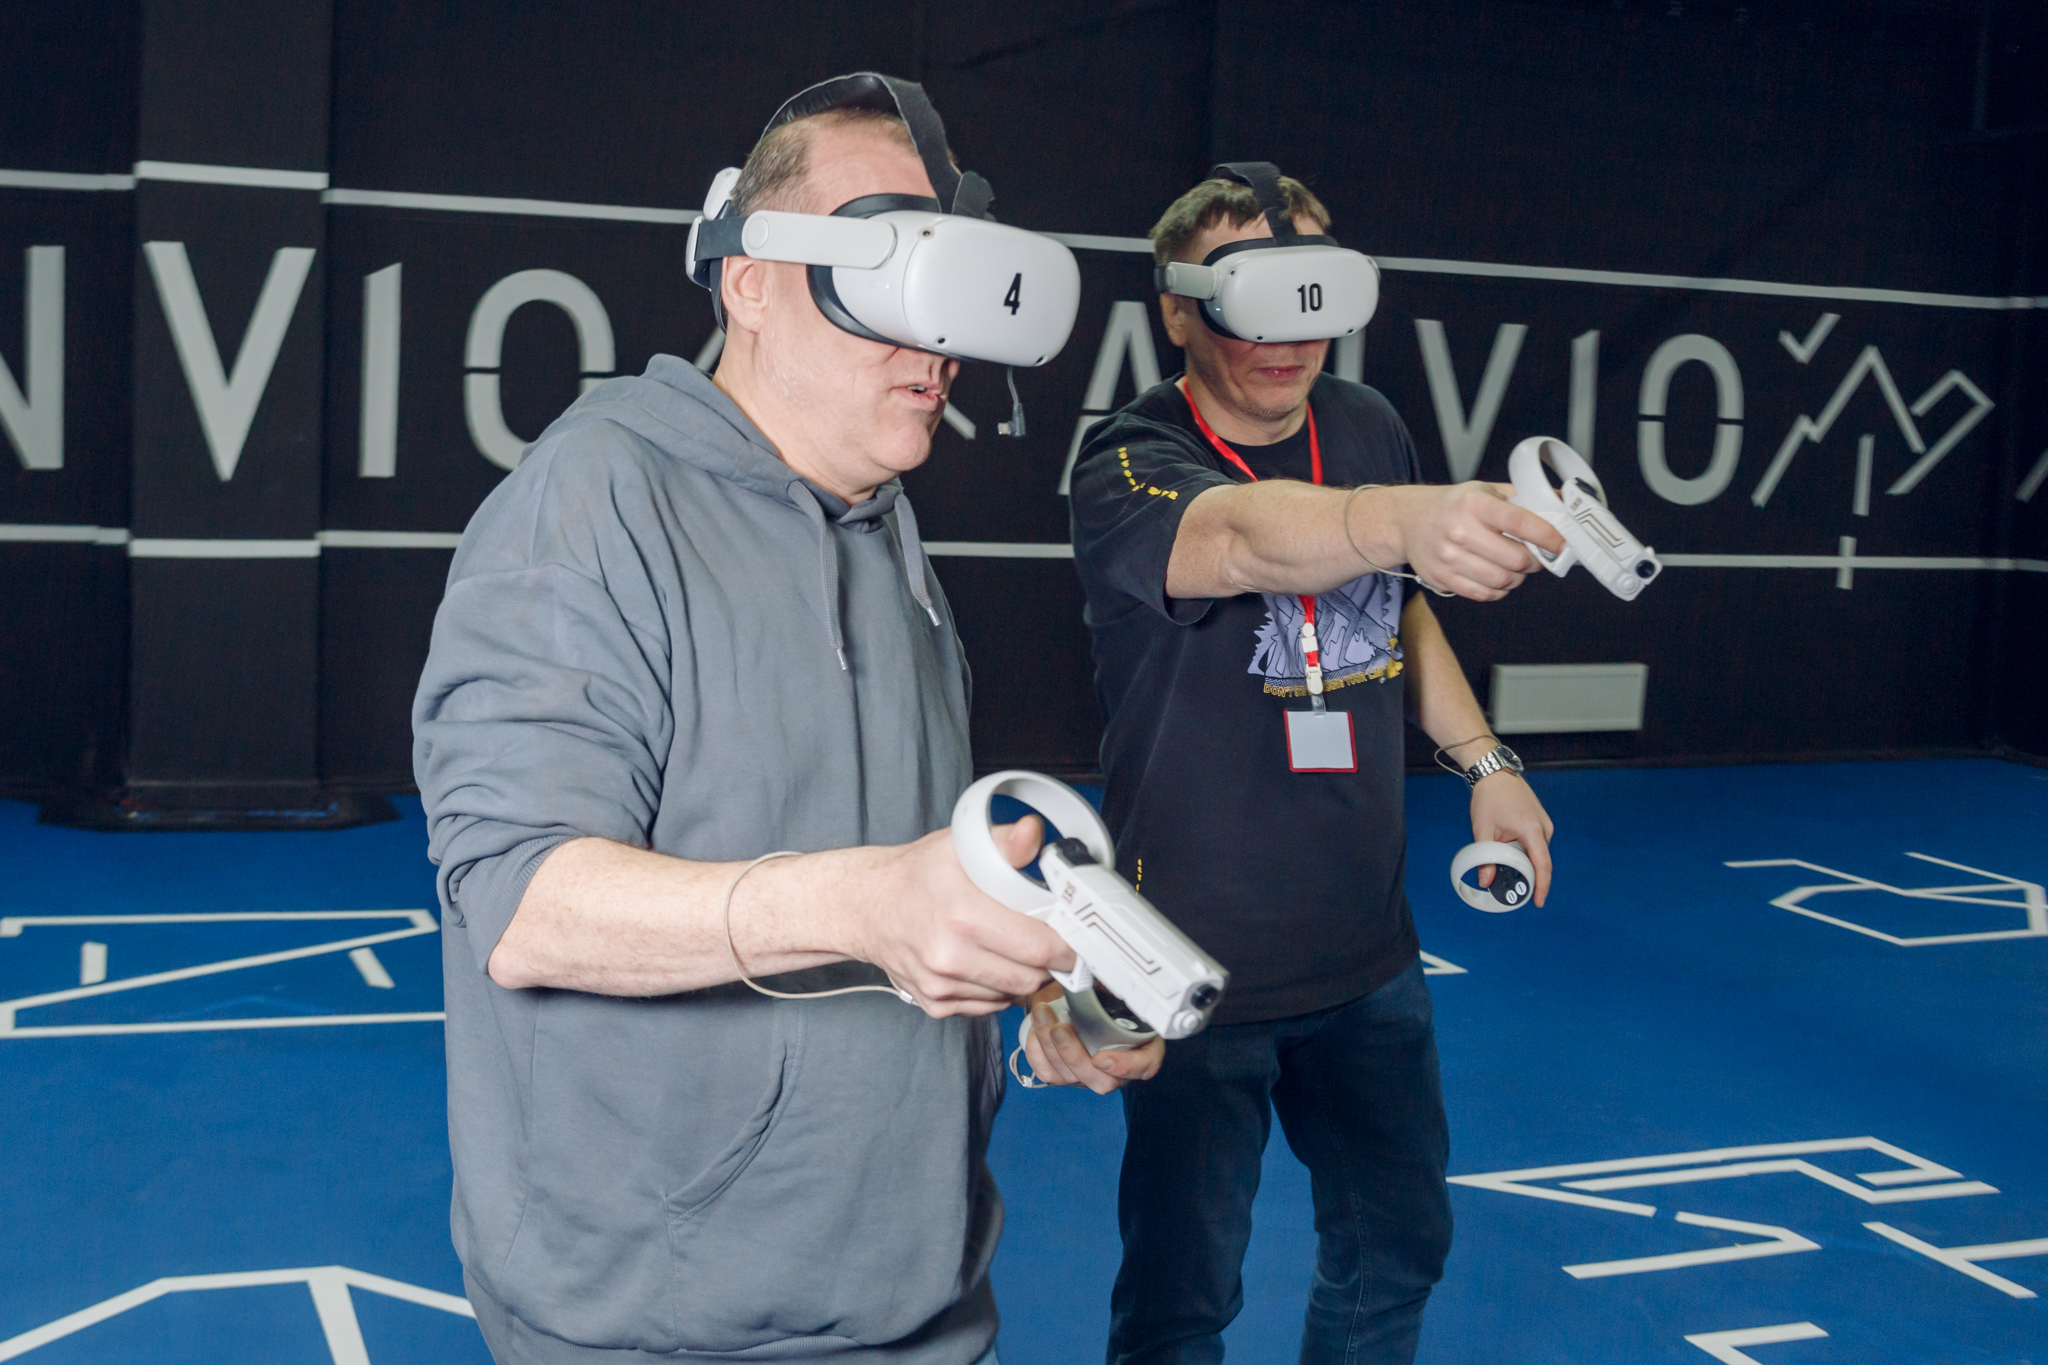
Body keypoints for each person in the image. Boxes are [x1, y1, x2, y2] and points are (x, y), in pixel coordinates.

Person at [412, 77, 1153, 1365]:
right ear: (749, 282)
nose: (933, 341)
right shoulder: (593, 498)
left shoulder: (881, 524)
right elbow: (521, 905)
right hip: (666, 1324)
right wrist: (864, 906)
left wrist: (1033, 980)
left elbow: (879, 859)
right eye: (885, 274)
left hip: (916, 1293)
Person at [1057, 167, 1566, 1364]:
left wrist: (1482, 759)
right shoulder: (1126, 461)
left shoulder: (1367, 424)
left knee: (1396, 1250)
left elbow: (1398, 605)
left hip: (1366, 953)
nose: (1288, 337)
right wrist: (1394, 519)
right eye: (1251, 299)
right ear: (1177, 310)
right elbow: (1237, 541)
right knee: (1179, 1302)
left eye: (1313, 297)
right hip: (1186, 961)